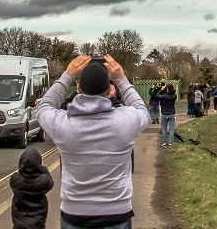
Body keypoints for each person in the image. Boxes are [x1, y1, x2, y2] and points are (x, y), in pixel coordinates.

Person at [36, 54, 149, 229]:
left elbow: (44, 106)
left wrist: (68, 75)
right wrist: (121, 79)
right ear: (109, 90)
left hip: (74, 212)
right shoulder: (126, 121)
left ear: (79, 88)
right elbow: (141, 108)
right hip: (117, 211)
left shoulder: (63, 124)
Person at [9, 146, 54, 229]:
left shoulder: (15, 179)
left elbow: (19, 173)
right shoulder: (43, 181)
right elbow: (50, 182)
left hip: (19, 222)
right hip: (38, 222)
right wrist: (42, 168)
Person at [156, 82, 177, 146]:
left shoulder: (164, 96)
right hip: (172, 113)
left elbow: (157, 95)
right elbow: (172, 92)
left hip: (164, 113)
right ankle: (171, 142)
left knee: (164, 128)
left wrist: (161, 89)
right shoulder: (174, 96)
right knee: (172, 128)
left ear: (167, 89)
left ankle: (164, 142)